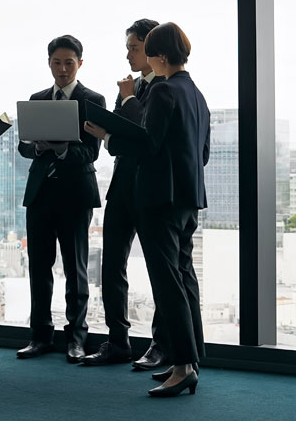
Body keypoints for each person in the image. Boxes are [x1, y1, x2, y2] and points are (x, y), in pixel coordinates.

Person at [84, 22, 210, 397]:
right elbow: (200, 154)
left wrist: (108, 134)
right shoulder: (197, 95)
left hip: (158, 201)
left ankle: (183, 365)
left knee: (168, 284)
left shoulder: (164, 90)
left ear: (158, 56)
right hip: (188, 200)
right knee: (184, 279)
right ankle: (188, 361)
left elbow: (148, 143)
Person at [80, 19, 167, 370]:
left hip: (150, 190)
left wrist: (126, 105)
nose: (128, 54)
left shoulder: (164, 87)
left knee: (160, 271)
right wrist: (108, 135)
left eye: (133, 47)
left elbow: (145, 135)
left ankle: (162, 344)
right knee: (111, 265)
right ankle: (118, 341)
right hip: (121, 188)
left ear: (150, 48)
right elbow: (119, 141)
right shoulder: (129, 89)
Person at [15, 35, 105, 363]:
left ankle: (76, 340)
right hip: (40, 194)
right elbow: (24, 146)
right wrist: (38, 147)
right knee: (39, 268)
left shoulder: (92, 99)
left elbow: (93, 152)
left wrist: (64, 147)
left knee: (75, 269)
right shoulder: (36, 99)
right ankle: (39, 337)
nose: (63, 69)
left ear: (80, 64)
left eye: (69, 62)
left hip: (75, 196)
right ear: (49, 63)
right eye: (57, 62)